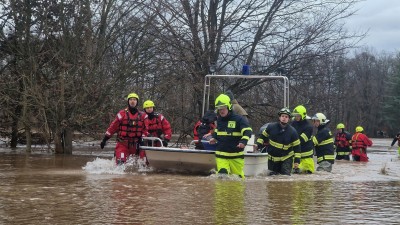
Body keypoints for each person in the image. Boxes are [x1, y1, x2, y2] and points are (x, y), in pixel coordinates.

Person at [209, 94, 252, 178]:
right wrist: (214, 137)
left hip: (236, 155)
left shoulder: (239, 119)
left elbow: (247, 131)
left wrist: (243, 142)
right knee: (222, 176)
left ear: (228, 106)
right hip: (221, 155)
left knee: (237, 179)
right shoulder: (219, 119)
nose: (221, 110)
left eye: (223, 108)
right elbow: (218, 131)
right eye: (219, 108)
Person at [100, 92, 149, 165]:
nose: (132, 101)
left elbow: (146, 130)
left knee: (143, 164)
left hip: (136, 144)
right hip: (123, 144)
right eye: (131, 100)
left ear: (137, 102)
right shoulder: (121, 114)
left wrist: (143, 138)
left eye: (134, 100)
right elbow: (113, 127)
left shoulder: (143, 115)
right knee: (120, 164)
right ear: (128, 101)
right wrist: (105, 139)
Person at [256, 108, 300, 176]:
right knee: (272, 179)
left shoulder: (293, 132)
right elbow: (262, 136)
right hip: (272, 159)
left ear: (289, 119)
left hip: (286, 158)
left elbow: (297, 147)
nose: (284, 118)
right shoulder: (271, 127)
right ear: (279, 117)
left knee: (285, 178)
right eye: (282, 116)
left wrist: (297, 161)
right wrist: (258, 145)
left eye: (286, 117)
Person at [291, 105, 314, 174]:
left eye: (298, 115)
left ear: (303, 115)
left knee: (307, 177)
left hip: (306, 157)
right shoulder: (293, 124)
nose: (296, 117)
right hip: (296, 155)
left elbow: (301, 140)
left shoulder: (308, 127)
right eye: (295, 115)